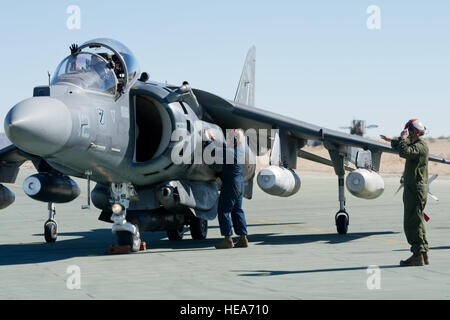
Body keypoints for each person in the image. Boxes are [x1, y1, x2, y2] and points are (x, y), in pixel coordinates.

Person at [380, 119, 429, 266]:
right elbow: (403, 146)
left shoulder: (420, 147)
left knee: (411, 222)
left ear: (411, 132)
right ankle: (423, 253)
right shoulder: (417, 144)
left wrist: (401, 138)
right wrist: (393, 139)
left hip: (415, 190)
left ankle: (417, 255)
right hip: (414, 188)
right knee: (418, 221)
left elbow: (404, 151)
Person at [204, 128, 249, 249]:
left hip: (230, 184)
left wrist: (207, 139)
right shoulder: (238, 150)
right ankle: (243, 238)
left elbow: (213, 152)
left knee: (224, 210)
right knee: (237, 210)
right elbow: (224, 147)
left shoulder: (230, 152)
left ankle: (227, 239)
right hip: (239, 184)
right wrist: (214, 139)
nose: (227, 139)